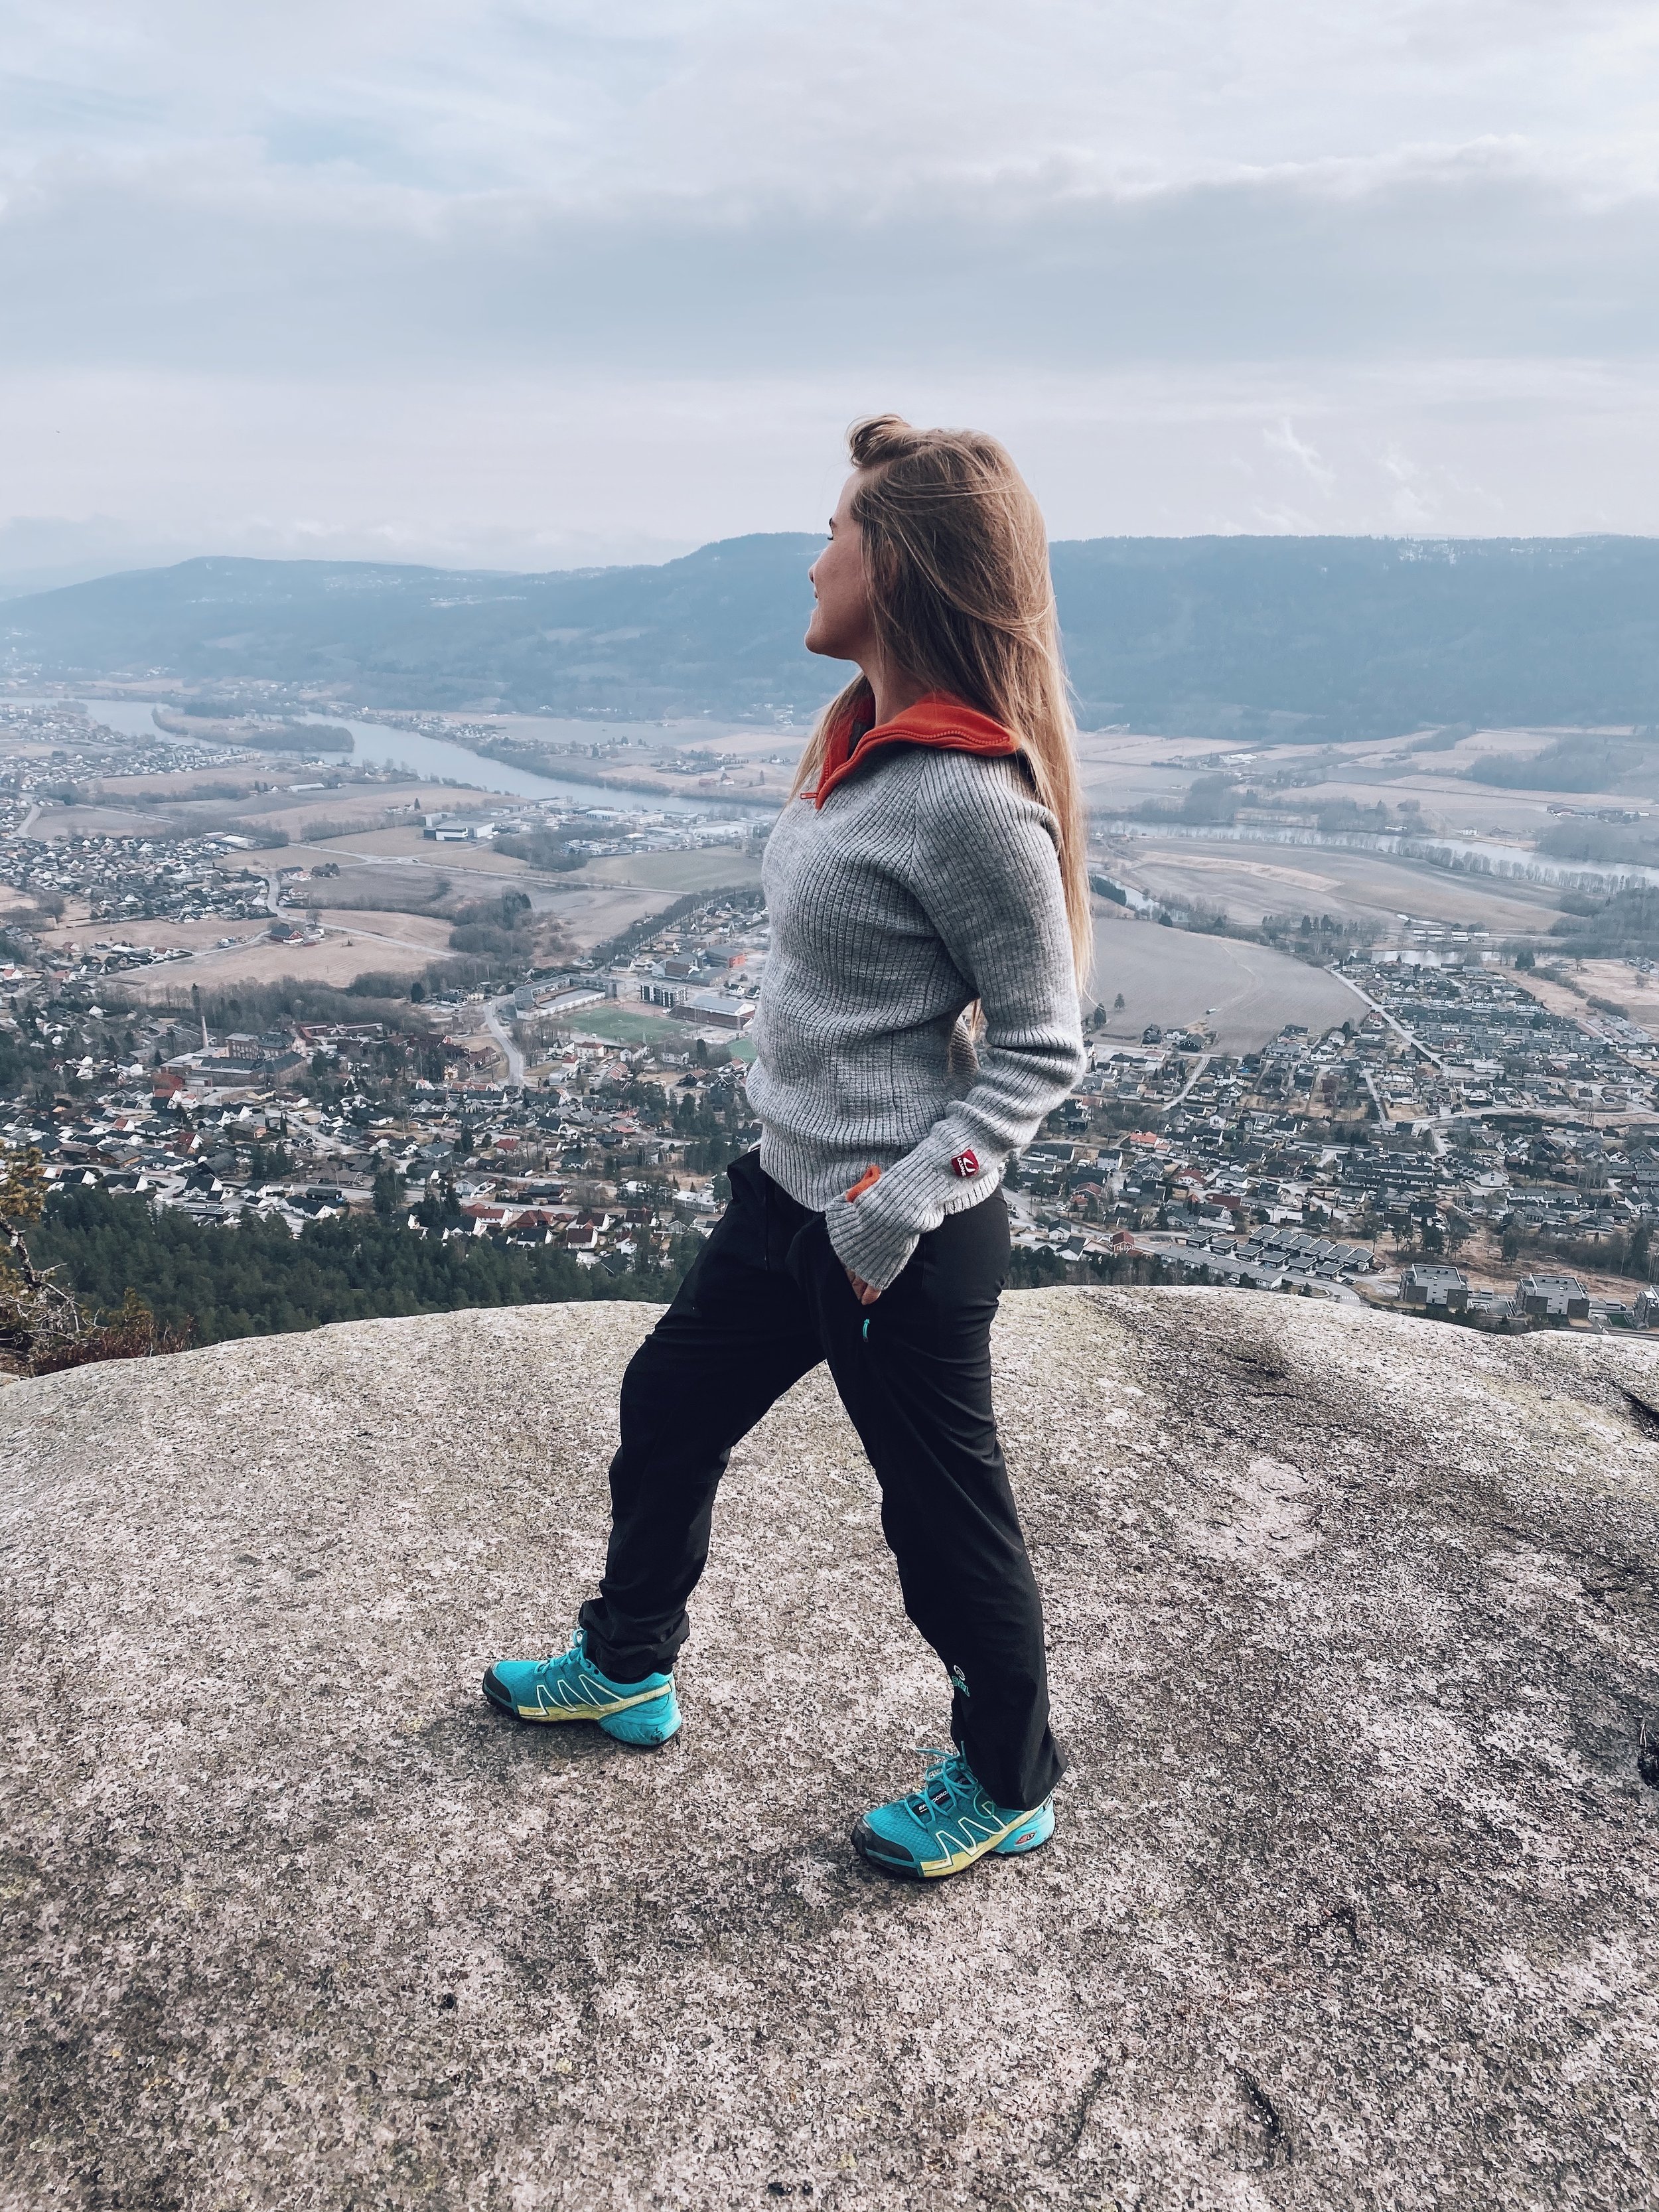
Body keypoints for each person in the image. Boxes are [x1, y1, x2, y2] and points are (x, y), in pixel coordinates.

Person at [484, 415, 1090, 1880]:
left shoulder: (970, 795)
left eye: (835, 526)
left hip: (891, 1231)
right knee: (666, 1406)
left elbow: (1041, 1044)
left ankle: (1008, 1777)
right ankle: (628, 1660)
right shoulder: (852, 748)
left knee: (941, 1526)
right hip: (784, 1197)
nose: (811, 554)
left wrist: (894, 1210)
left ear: (900, 565)